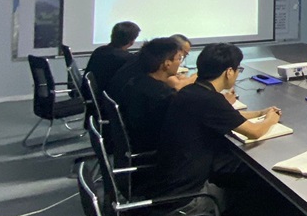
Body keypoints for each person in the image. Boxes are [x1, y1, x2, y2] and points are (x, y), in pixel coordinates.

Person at [149, 43, 282, 201]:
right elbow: (254, 132)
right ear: (229, 72)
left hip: (170, 179)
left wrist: (260, 113)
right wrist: (271, 120)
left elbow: (228, 116)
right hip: (187, 195)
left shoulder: (191, 91)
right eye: (238, 69)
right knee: (257, 175)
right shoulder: (210, 100)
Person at [118, 37, 182, 154]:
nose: (180, 62)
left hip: (134, 142)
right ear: (167, 64)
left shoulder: (135, 81)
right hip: (154, 150)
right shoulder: (163, 95)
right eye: (179, 58)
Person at [85, 21, 140, 95]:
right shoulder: (126, 59)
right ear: (131, 41)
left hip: (95, 93)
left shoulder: (99, 50)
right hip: (108, 96)